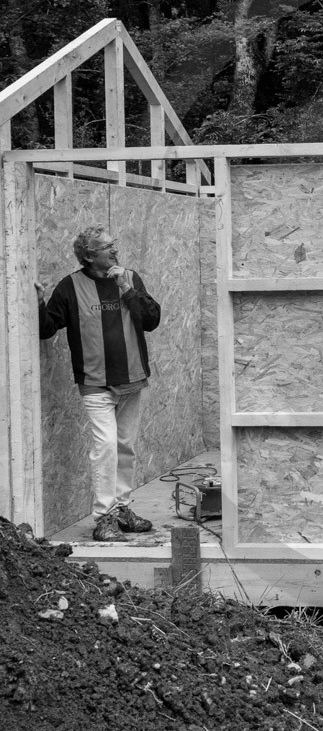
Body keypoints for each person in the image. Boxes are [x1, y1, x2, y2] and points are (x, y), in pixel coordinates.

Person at [36, 227, 161, 542]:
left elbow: (151, 320)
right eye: (107, 247)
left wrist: (127, 289)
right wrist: (37, 303)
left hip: (133, 380)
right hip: (95, 384)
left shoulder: (129, 278)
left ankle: (122, 511)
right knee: (105, 447)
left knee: (125, 447)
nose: (115, 251)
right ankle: (104, 518)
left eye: (114, 245)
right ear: (89, 256)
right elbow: (48, 328)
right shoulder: (70, 287)